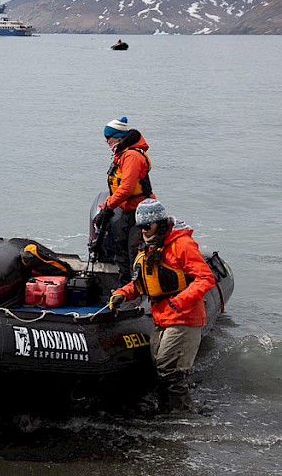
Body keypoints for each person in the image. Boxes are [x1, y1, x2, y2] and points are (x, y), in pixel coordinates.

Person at [108, 199, 215, 413]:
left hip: (184, 316)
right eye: (141, 227)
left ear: (160, 223)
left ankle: (179, 415)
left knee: (169, 367)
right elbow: (142, 283)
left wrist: (180, 301)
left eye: (147, 226)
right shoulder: (148, 249)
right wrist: (122, 294)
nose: (144, 231)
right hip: (161, 317)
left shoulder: (182, 245)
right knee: (160, 366)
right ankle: (167, 410)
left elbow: (205, 278)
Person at [94, 116, 156, 285]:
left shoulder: (131, 157)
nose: (106, 141)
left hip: (140, 212)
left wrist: (108, 208)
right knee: (120, 250)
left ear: (119, 138)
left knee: (134, 252)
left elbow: (126, 188)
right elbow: (116, 188)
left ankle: (137, 290)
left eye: (109, 137)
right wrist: (105, 207)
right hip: (128, 210)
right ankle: (125, 288)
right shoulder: (121, 155)